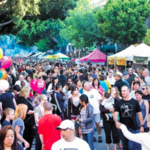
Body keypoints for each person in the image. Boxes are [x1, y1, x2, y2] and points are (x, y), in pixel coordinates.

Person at [114, 86, 144, 150]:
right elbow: (115, 113)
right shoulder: (118, 102)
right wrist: (116, 121)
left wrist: (142, 126)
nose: (122, 92)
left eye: (124, 91)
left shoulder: (135, 102)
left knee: (131, 146)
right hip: (123, 128)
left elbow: (139, 114)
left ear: (128, 91)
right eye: (122, 91)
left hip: (133, 127)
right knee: (125, 146)